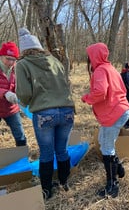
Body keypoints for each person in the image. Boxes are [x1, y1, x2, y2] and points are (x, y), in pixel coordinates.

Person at [15, 28, 75, 199]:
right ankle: (64, 183)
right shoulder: (55, 60)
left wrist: (22, 102)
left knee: (47, 153)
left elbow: (24, 94)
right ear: (39, 46)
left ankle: (47, 190)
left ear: (24, 49)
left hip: (44, 113)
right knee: (62, 150)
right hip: (67, 110)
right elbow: (66, 83)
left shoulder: (23, 64)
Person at [81, 42, 129, 198]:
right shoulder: (111, 69)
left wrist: (87, 98)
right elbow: (123, 90)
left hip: (112, 113)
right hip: (121, 109)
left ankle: (112, 186)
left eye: (89, 57)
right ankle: (119, 169)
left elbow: (100, 92)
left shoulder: (100, 71)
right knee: (103, 141)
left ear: (94, 57)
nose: (88, 60)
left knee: (107, 148)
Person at [0, 42, 27, 146]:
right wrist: (5, 93)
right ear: (1, 56)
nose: (11, 62)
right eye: (8, 58)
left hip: (11, 109)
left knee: (20, 136)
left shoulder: (17, 70)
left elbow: (20, 87)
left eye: (13, 59)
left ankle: (22, 158)